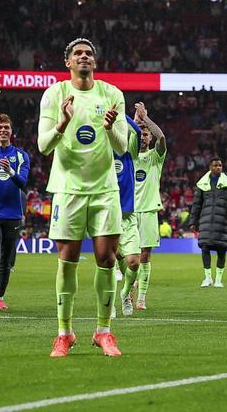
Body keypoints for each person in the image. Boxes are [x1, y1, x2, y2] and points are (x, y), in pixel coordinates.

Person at [38, 38, 130, 358]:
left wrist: (109, 129)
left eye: (89, 53)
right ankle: (64, 333)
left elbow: (122, 147)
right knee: (68, 258)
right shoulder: (55, 94)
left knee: (106, 257)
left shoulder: (111, 94)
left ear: (95, 61)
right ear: (68, 62)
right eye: (78, 53)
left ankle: (103, 331)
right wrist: (62, 123)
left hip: (105, 188)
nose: (84, 57)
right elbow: (43, 146)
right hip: (68, 188)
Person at [0, 113, 30, 311]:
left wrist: (10, 171)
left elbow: (22, 183)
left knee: (7, 260)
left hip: (12, 215)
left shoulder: (20, 156)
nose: (3, 130)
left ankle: (0, 297)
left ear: (11, 131)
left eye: (6, 127)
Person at [129, 102, 166, 312]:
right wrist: (136, 119)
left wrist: (146, 119)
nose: (143, 137)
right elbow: (125, 133)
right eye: (140, 133)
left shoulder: (155, 157)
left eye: (145, 134)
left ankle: (141, 297)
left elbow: (161, 138)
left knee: (144, 255)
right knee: (127, 256)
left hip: (149, 210)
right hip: (128, 212)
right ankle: (129, 285)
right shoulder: (128, 156)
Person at [187, 158, 227, 287]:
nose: (218, 168)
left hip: (222, 221)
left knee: (222, 249)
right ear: (210, 167)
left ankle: (218, 280)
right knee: (205, 247)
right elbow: (196, 204)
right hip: (206, 221)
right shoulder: (202, 184)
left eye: (220, 165)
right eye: (215, 165)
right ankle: (207, 278)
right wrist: (192, 221)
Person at [113, 113, 143, 317]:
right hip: (107, 215)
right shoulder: (103, 153)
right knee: (108, 262)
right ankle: (108, 306)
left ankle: (125, 293)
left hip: (127, 217)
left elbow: (138, 131)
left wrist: (122, 114)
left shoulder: (129, 153)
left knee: (133, 261)